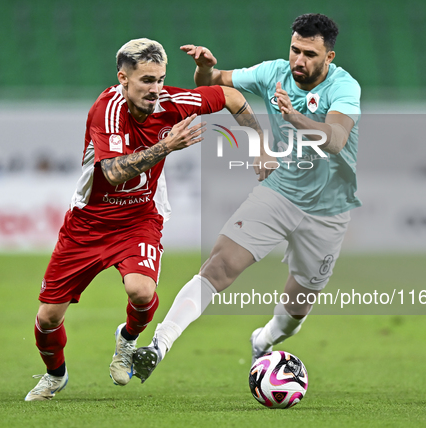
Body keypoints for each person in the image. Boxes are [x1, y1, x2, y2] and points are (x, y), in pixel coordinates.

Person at [24, 38, 262, 400]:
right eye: (146, 80)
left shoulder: (172, 102)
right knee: (47, 320)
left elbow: (229, 97)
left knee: (142, 290)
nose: (155, 89)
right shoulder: (107, 109)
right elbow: (115, 172)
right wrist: (167, 146)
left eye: (160, 79)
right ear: (123, 78)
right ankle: (55, 375)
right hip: (89, 224)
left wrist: (258, 142)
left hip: (139, 219)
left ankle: (128, 340)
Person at [133, 13, 361, 382]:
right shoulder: (274, 73)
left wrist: (294, 115)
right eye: (295, 50)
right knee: (219, 266)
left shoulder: (344, 88)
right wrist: (205, 69)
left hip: (328, 212)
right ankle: (159, 345)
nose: (299, 61)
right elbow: (213, 86)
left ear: (328, 58)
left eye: (309, 54)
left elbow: (335, 140)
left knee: (295, 312)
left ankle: (265, 338)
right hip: (280, 191)